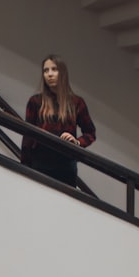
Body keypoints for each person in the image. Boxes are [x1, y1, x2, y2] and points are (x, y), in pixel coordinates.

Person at [20, 54, 96, 187]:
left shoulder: (76, 102)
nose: (49, 74)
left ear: (63, 73)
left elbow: (90, 133)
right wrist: (24, 166)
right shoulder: (36, 102)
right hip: (40, 163)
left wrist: (77, 142)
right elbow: (28, 136)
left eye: (54, 69)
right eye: (45, 70)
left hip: (66, 165)